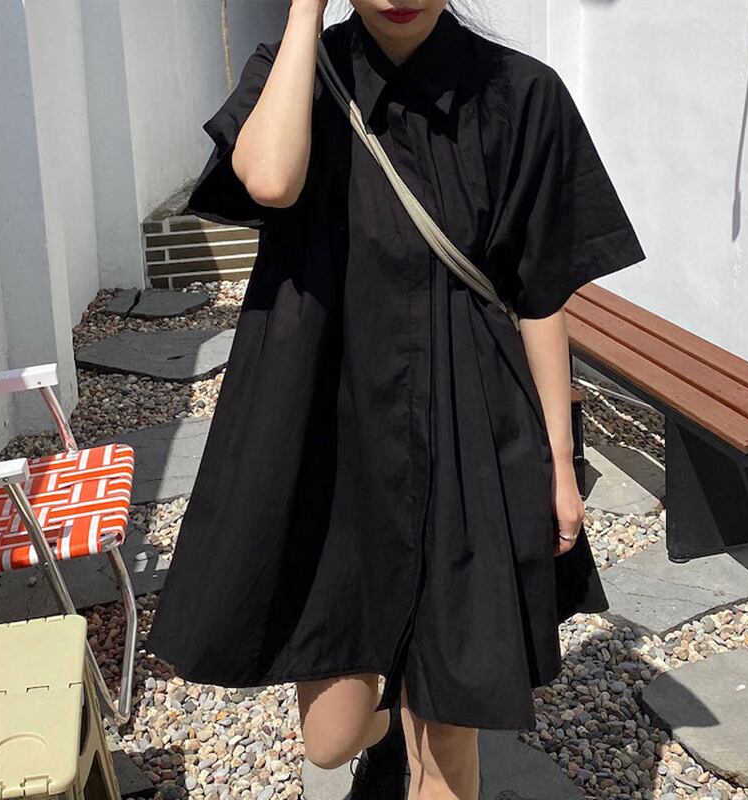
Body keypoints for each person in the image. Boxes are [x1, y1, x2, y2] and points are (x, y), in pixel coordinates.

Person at [145, 1, 646, 798]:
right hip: (326, 428)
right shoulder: (295, 77)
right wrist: (305, 15)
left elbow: (540, 295)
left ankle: (424, 712)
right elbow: (270, 180)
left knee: (448, 729)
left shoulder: (522, 93)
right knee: (330, 738)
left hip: (470, 420)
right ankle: (385, 729)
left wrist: (560, 461)